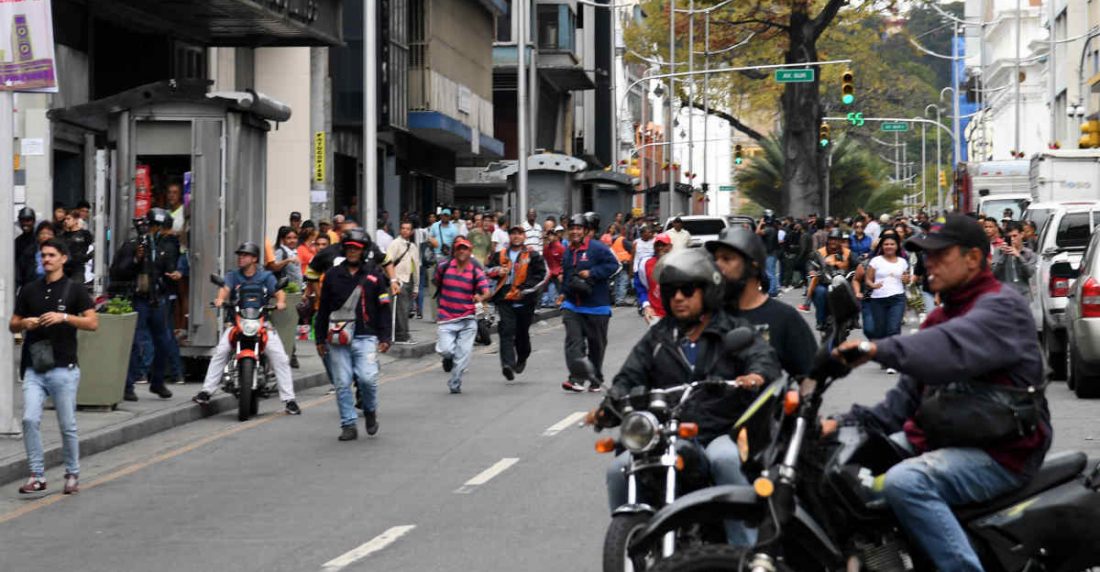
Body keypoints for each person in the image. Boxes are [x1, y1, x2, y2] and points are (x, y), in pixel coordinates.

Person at [828, 214, 1052, 572]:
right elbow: (900, 404)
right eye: (926, 256)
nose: (928, 264)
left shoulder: (1002, 306)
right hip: (941, 438)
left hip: (1002, 452)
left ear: (973, 259)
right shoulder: (937, 319)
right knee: (843, 469)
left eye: (939, 256)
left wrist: (875, 349)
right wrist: (839, 425)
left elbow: (949, 348)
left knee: (906, 481)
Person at [594, 248, 780, 546]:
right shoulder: (658, 337)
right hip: (666, 432)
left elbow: (762, 358)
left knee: (726, 460)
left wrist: (755, 375)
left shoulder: (732, 329)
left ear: (707, 291)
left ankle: (747, 552)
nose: (678, 297)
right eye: (671, 291)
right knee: (619, 469)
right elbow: (630, 376)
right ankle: (631, 545)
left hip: (721, 430)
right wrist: (610, 403)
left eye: (687, 289)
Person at [10, 239, 97, 495]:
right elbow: (12, 324)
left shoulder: (75, 290)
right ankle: (37, 474)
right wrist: (25, 323)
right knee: (28, 418)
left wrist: (65, 317)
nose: (46, 259)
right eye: (43, 255)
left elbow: (93, 323)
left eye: (51, 255)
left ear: (63, 258)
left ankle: (72, 473)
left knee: (67, 424)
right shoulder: (29, 290)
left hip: (63, 367)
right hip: (35, 367)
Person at [191, 241, 300, 413]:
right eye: (240, 255)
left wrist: (280, 302)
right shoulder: (233, 275)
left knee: (280, 357)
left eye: (245, 255)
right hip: (237, 323)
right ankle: (206, 392)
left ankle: (289, 400)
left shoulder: (266, 277)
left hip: (262, 322)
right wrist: (220, 300)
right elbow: (224, 289)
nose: (241, 258)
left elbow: (279, 292)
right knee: (221, 351)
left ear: (254, 258)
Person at [707, 227, 817, 377]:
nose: (718, 266)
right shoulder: (707, 315)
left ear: (753, 265)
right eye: (715, 259)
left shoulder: (785, 318)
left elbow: (811, 377)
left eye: (726, 259)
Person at [314, 228, 392, 440]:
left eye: (356, 249)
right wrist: (319, 338)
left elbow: (384, 307)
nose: (352, 252)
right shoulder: (332, 275)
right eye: (348, 248)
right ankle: (348, 424)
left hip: (366, 336)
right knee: (342, 382)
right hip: (338, 338)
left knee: (367, 379)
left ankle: (370, 410)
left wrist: (386, 337)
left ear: (364, 251)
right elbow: (323, 310)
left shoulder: (375, 276)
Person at [111, 209, 180, 401]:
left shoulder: (163, 246)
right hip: (138, 298)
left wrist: (174, 274)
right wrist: (136, 259)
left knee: (164, 341)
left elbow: (168, 268)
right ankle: (128, 385)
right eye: (156, 227)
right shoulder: (133, 245)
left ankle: (157, 382)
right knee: (135, 342)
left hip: (157, 298)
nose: (158, 231)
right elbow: (118, 270)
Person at [560, 213, 620, 392]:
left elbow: (614, 266)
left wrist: (592, 273)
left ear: (585, 231)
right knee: (573, 342)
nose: (575, 232)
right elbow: (567, 275)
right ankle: (576, 379)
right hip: (573, 306)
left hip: (597, 307)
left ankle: (595, 378)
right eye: (572, 229)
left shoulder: (598, 248)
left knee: (596, 346)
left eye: (578, 228)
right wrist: (563, 293)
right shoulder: (568, 251)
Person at [487, 224, 547, 380]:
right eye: (513, 233)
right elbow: (486, 271)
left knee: (522, 333)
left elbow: (542, 275)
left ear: (524, 236)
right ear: (509, 236)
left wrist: (525, 289)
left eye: (519, 233)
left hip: (525, 301)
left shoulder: (533, 256)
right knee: (506, 331)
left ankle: (522, 358)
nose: (516, 236)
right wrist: (496, 271)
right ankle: (507, 364)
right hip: (505, 300)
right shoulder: (500, 255)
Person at [433, 236, 490, 393]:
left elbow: (486, 291)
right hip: (446, 317)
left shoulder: (475, 271)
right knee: (446, 351)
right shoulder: (443, 267)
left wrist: (480, 297)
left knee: (462, 356)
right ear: (454, 251)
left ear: (470, 251)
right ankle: (448, 359)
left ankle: (455, 382)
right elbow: (436, 282)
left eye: (465, 248)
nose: (462, 251)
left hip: (467, 319)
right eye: (459, 248)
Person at [865, 232, 911, 369]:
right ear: (882, 246)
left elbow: (907, 279)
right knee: (880, 331)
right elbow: (868, 279)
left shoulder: (903, 262)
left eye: (892, 244)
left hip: (897, 298)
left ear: (897, 246)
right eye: (886, 244)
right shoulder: (876, 261)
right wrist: (873, 285)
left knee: (894, 329)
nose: (889, 246)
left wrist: (906, 279)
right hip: (878, 299)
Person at [800, 229, 852, 331]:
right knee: (820, 292)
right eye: (831, 239)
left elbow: (857, 264)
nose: (833, 242)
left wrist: (857, 270)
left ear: (841, 241)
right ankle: (821, 320)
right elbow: (810, 263)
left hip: (842, 283)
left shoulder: (848, 253)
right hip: (824, 282)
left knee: (855, 291)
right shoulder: (820, 252)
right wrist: (811, 271)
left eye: (836, 240)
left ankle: (853, 318)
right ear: (828, 240)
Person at [386, 220, 420, 344]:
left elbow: (416, 267)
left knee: (405, 309)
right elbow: (388, 262)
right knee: (400, 309)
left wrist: (416, 286)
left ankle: (402, 334)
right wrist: (393, 279)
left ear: (411, 232)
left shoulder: (413, 246)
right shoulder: (395, 244)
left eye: (408, 229)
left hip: (409, 279)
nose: (405, 230)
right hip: (399, 280)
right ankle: (401, 335)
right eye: (403, 228)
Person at [992, 221, 1036, 298]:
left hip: (1023, 296)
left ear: (1022, 234)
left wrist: (1019, 257)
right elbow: (994, 273)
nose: (1012, 239)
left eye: (1015, 236)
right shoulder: (999, 251)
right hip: (1004, 296)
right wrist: (1004, 255)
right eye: (1009, 237)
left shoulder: (1029, 253)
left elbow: (1030, 273)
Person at [636, 232, 672, 324]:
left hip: (675, 316)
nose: (660, 248)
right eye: (657, 245)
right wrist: (646, 305)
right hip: (655, 315)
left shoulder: (679, 264)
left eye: (663, 245)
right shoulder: (645, 264)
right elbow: (640, 287)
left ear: (670, 247)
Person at [607, 223, 634, 305]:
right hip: (624, 263)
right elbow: (632, 249)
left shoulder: (613, 240)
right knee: (623, 281)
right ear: (622, 231)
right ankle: (620, 300)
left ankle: (617, 298)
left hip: (616, 263)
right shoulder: (622, 239)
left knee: (617, 282)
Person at [757, 212, 782, 297]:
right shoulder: (773, 228)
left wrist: (760, 223)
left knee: (770, 273)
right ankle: (773, 290)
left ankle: (772, 291)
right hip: (772, 253)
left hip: (769, 253)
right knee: (772, 272)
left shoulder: (769, 229)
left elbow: (757, 232)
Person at [541, 225, 565, 307]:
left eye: (552, 235)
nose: (550, 237)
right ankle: (545, 301)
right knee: (544, 285)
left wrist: (561, 272)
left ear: (555, 236)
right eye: (549, 235)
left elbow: (564, 261)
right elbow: (544, 258)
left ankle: (560, 302)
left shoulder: (560, 247)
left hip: (558, 272)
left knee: (560, 288)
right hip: (549, 271)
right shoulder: (546, 248)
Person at [14, 207, 36, 287]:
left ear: (33, 221)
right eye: (22, 220)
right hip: (24, 284)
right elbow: (17, 265)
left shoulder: (38, 240)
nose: (25, 223)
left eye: (28, 220)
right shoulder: (17, 242)